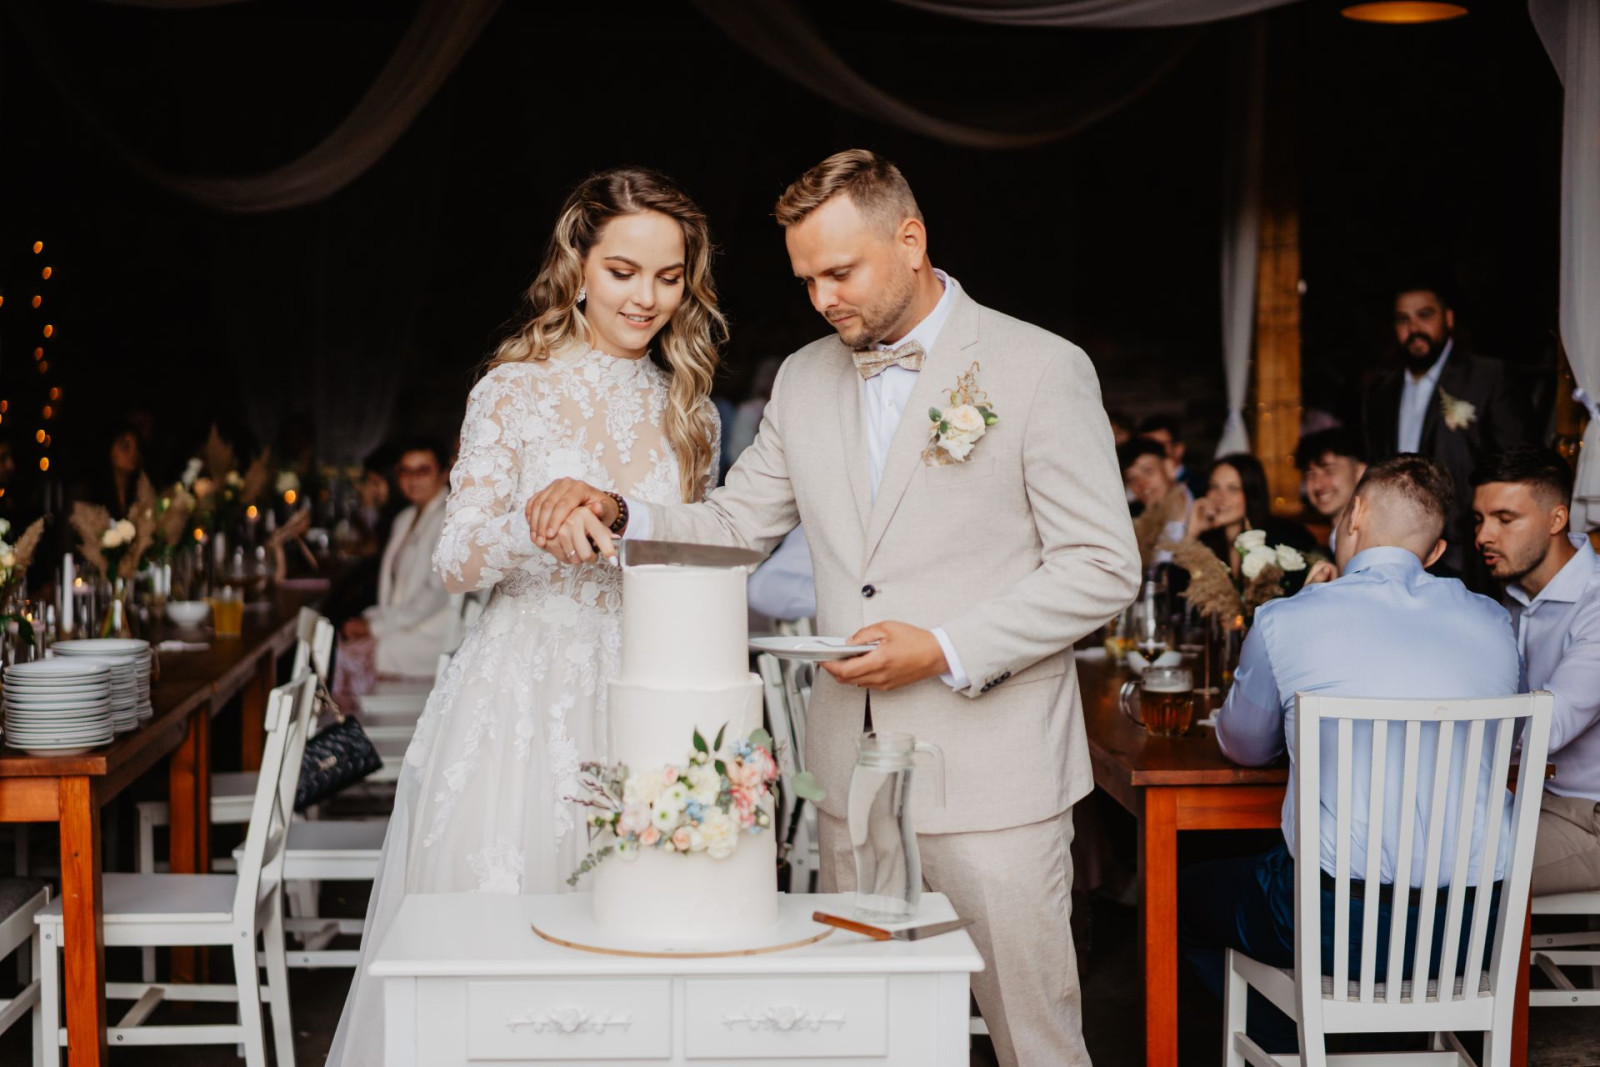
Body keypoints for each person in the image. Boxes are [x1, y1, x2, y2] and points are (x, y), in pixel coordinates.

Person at [525, 148, 1141, 1067]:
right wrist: (620, 511)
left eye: (840, 273)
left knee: (1034, 1041)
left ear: (911, 239)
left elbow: (1102, 565)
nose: (822, 299)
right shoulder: (805, 378)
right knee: (869, 1041)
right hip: (851, 778)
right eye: (807, 280)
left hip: (994, 777)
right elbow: (732, 525)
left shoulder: (1041, 368)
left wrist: (943, 646)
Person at [326, 166, 727, 1067]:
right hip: (521, 699)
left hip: (644, 691)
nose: (647, 297)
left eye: (669, 277)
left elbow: (698, 553)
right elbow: (454, 559)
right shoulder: (513, 389)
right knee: (507, 952)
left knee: (638, 950)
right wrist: (536, 522)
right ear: (577, 264)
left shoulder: (688, 405)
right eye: (623, 271)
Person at [1180, 456, 1520, 1047]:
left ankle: (1301, 1045)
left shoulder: (1288, 620)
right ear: (1435, 552)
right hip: (1475, 928)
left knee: (1179, 897)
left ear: (1354, 513)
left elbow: (1243, 745)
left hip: (1339, 925)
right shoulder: (1494, 622)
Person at [1472, 447, 1600, 895]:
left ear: (1556, 519)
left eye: (1505, 519)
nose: (1483, 536)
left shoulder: (1596, 603)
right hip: (1520, 798)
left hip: (1587, 816)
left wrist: (1443, 722)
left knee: (1448, 866)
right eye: (1479, 519)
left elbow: (1548, 725)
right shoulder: (1508, 599)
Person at [1362, 284, 1530, 583]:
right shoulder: (1380, 390)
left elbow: (1516, 465)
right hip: (1395, 550)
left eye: (1425, 315)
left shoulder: (1487, 376)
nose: (1414, 328)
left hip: (1466, 550)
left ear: (1448, 318)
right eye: (1403, 319)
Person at [331, 438, 454, 706]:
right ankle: (349, 719)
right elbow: (396, 594)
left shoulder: (450, 519)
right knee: (345, 639)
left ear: (443, 473)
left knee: (348, 653)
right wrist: (371, 620)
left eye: (423, 470)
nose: (413, 480)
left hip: (432, 634)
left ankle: (350, 721)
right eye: (405, 471)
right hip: (405, 625)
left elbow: (434, 595)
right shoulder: (404, 518)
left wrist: (374, 627)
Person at [1184, 452, 1316, 578]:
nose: (1220, 497)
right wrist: (1192, 532)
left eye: (1233, 488)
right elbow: (1178, 587)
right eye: (1214, 487)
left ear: (1252, 494)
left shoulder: (1288, 538)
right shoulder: (1205, 542)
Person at [1119, 437, 1187, 573]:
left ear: (1169, 467)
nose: (1142, 484)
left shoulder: (1202, 507)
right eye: (1132, 479)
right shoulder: (1133, 520)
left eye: (1148, 471)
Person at [1139, 413, 1207, 500]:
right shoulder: (1139, 486)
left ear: (1178, 450)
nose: (1149, 452)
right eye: (1143, 447)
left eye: (1157, 446)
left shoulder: (1201, 485)